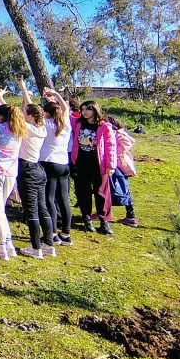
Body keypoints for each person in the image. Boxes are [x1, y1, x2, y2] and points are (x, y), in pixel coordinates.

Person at [0, 89, 27, 260]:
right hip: (11, 173)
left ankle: (2, 246)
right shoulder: (18, 129)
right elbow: (5, 110)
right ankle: (8, 244)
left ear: (2, 117)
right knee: (0, 209)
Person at [17, 78, 55, 259]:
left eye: (25, 114)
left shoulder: (29, 128)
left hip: (27, 170)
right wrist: (24, 90)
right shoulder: (41, 128)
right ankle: (49, 244)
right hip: (38, 170)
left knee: (31, 210)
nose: (23, 114)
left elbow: (18, 114)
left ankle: (36, 248)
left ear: (30, 116)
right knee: (42, 208)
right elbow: (29, 107)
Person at [71, 100, 117, 236]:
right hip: (82, 162)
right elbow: (65, 115)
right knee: (83, 191)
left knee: (101, 192)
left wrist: (111, 165)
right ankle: (87, 219)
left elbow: (110, 146)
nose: (84, 112)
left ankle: (104, 221)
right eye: (83, 109)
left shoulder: (104, 126)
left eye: (88, 109)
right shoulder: (78, 123)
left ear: (95, 110)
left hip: (99, 163)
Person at [39, 87, 73, 244]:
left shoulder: (46, 124)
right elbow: (65, 109)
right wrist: (55, 95)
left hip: (49, 163)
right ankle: (66, 233)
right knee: (64, 199)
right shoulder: (65, 123)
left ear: (46, 113)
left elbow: (36, 113)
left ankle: (52, 233)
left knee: (49, 199)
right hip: (64, 164)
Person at [106, 115, 139, 226]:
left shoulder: (118, 134)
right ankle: (129, 215)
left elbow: (127, 143)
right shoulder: (117, 133)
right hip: (118, 164)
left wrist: (116, 153)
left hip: (119, 165)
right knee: (117, 187)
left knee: (118, 188)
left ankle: (129, 215)